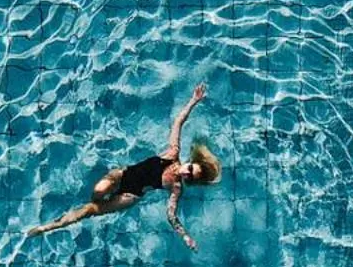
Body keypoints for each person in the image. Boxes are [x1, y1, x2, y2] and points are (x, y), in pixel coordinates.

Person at [26, 84, 221, 250]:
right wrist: (193, 101)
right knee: (98, 191)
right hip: (122, 175)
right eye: (190, 168)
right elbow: (179, 122)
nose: (186, 172)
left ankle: (46, 228)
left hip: (130, 196)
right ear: (189, 161)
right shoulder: (172, 153)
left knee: (90, 210)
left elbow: (171, 215)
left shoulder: (176, 188)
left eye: (190, 176)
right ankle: (97, 201)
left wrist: (184, 236)